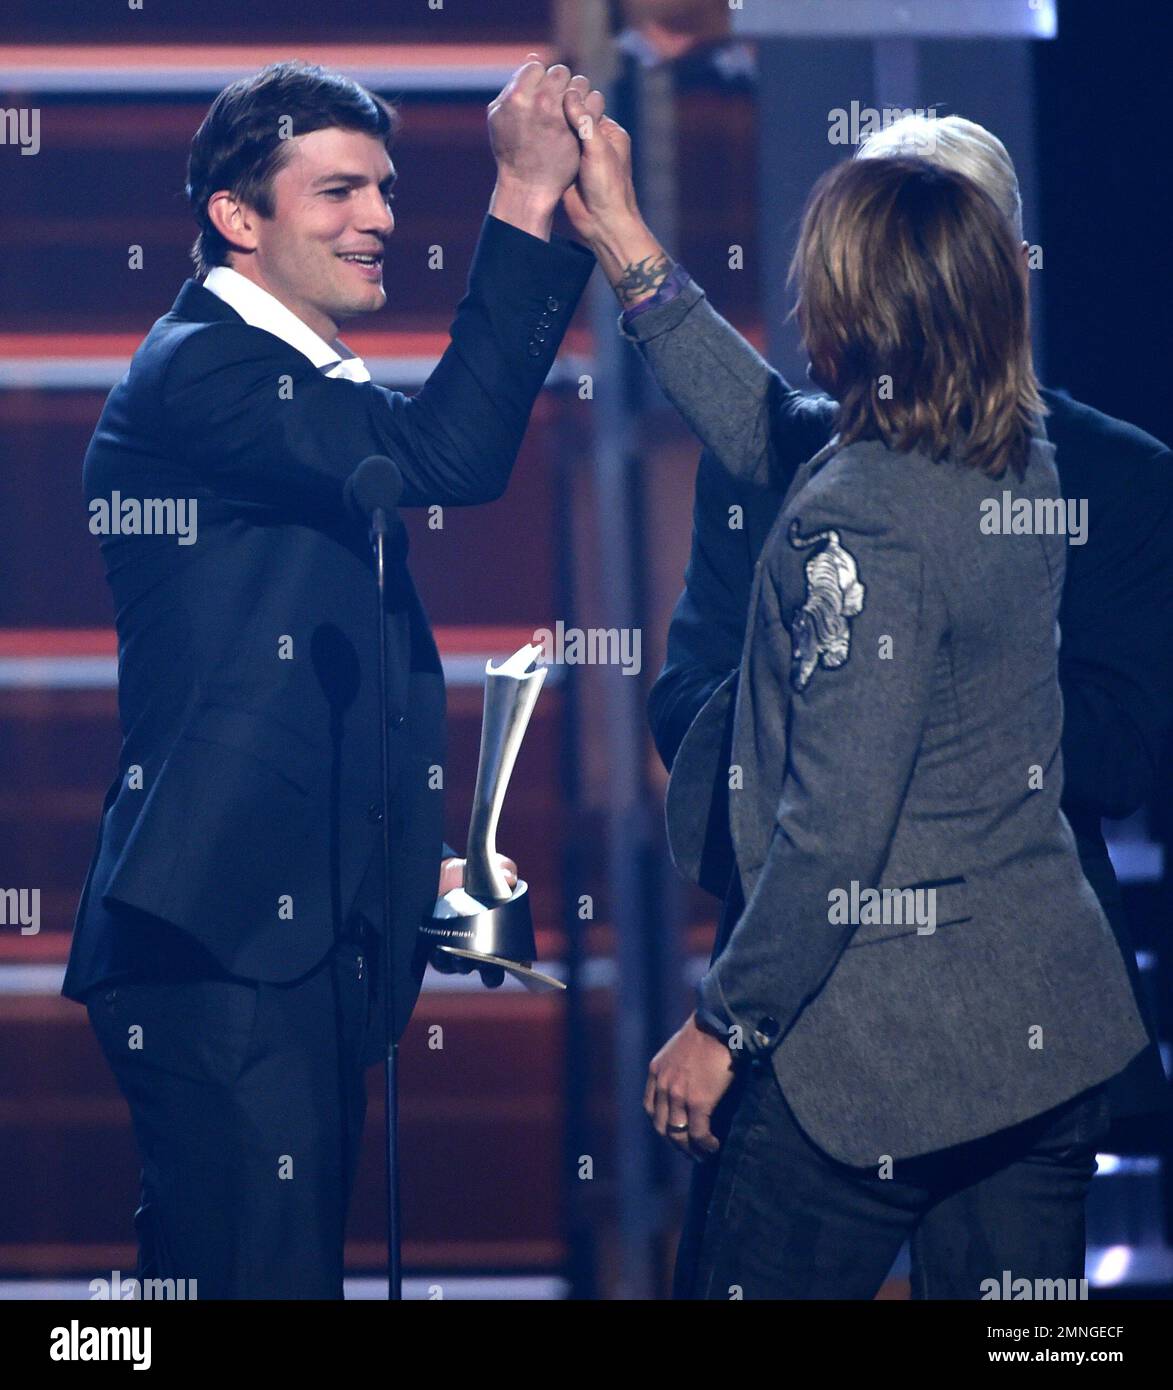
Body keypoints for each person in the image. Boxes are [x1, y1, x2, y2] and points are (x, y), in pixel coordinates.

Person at [560, 95, 1155, 1297]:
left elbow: (833, 835)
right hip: (1045, 1041)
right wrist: (631, 252)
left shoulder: (864, 517)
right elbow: (769, 422)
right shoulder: (1017, 461)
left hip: (882, 1053)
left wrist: (720, 1030)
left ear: (856, 303)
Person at [63, 58, 598, 1298]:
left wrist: (421, 867)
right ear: (235, 218)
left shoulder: (293, 388)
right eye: (339, 191)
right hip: (217, 948)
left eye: (389, 190)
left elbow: (301, 702)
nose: (381, 221)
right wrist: (523, 192)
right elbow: (452, 454)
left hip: (282, 948)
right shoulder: (202, 370)